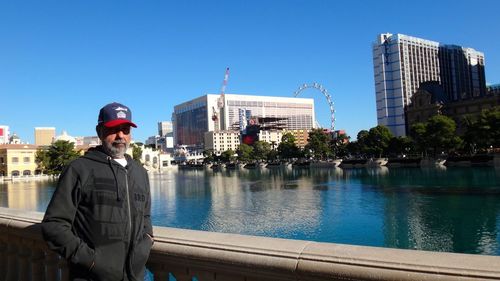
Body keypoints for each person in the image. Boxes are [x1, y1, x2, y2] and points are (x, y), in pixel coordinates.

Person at [42, 102, 153, 281]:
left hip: (137, 276)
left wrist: (147, 240)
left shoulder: (140, 172)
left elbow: (145, 217)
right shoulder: (79, 169)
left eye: (125, 129)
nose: (120, 136)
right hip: (91, 276)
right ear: (99, 131)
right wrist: (92, 261)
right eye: (113, 129)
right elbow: (53, 225)